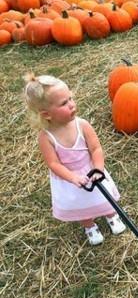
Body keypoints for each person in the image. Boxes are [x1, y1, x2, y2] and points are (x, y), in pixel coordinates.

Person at [24, 73, 126, 246]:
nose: (72, 104)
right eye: (64, 103)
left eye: (70, 98)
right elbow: (53, 163)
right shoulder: (46, 137)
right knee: (80, 204)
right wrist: (72, 178)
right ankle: (89, 225)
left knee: (103, 197)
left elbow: (96, 148)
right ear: (46, 114)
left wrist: (99, 169)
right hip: (70, 179)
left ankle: (111, 215)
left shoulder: (82, 125)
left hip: (91, 170)